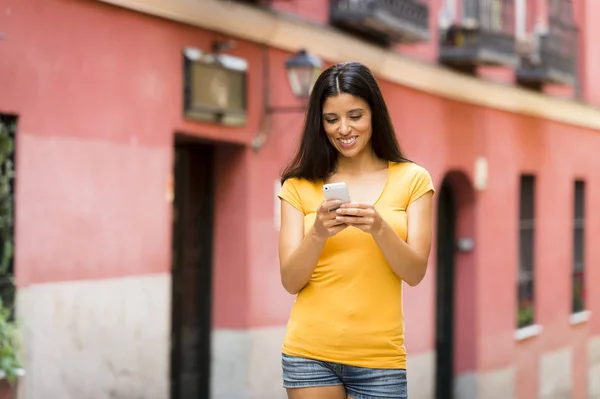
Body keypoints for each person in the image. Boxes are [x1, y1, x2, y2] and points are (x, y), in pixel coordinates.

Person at [277, 61, 435, 399]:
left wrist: (379, 227)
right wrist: (318, 232)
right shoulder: (298, 185)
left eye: (355, 116)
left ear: (374, 114)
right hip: (310, 353)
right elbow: (290, 281)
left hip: (380, 359)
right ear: (320, 124)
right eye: (332, 119)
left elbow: (415, 271)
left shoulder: (413, 180)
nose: (344, 129)